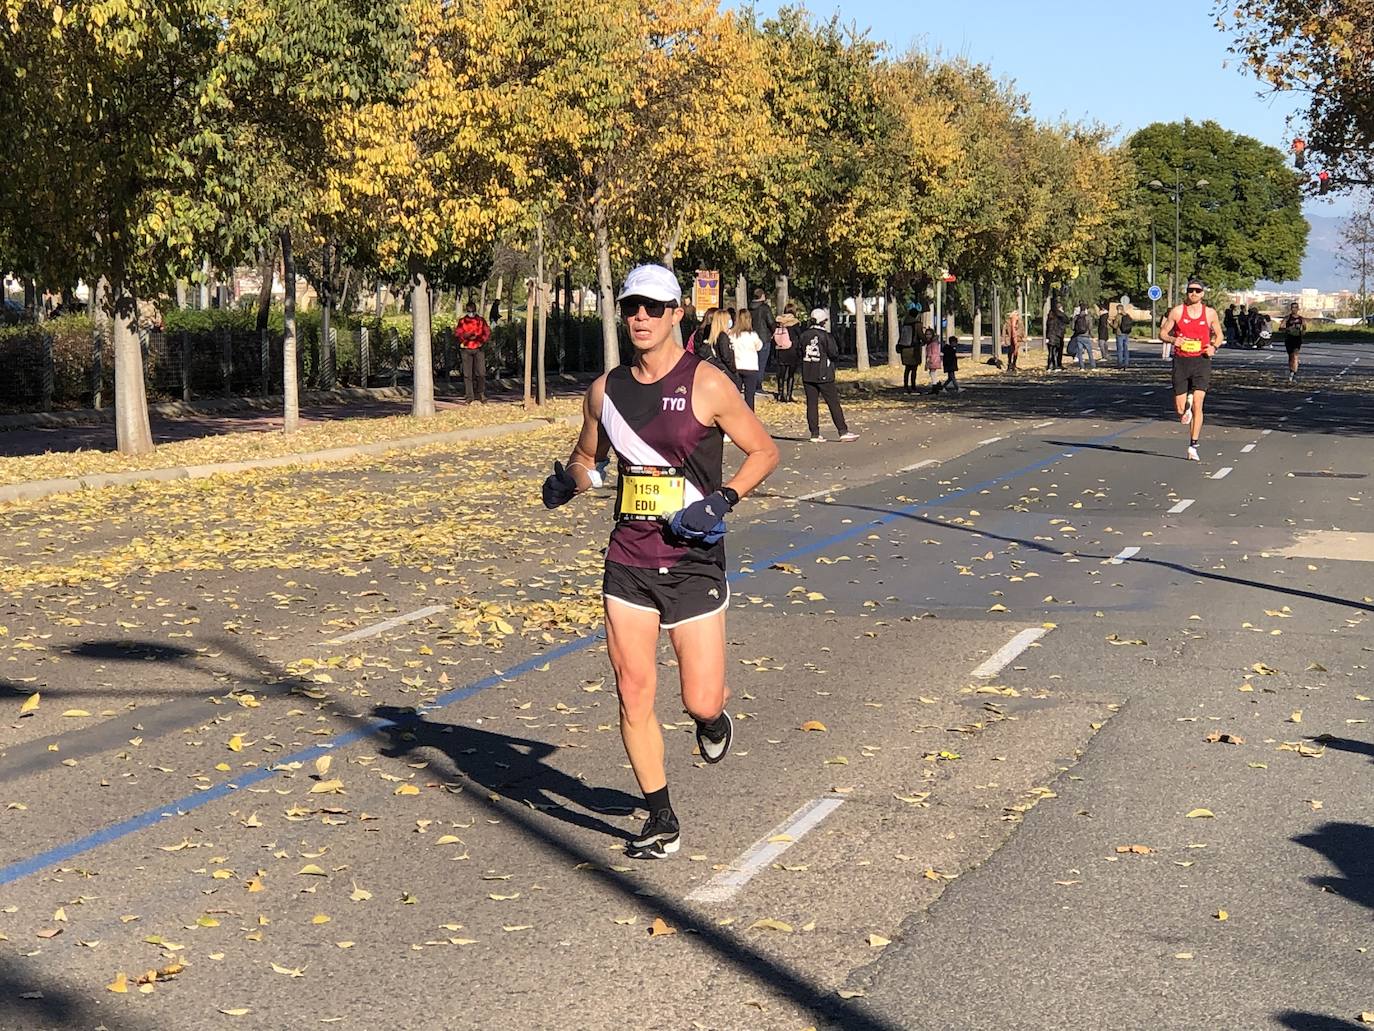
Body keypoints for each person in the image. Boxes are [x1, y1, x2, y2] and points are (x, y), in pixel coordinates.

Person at [540, 264, 778, 859]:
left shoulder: (708, 383)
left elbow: (764, 450)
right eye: (630, 308)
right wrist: (568, 482)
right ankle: (660, 816)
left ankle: (713, 721)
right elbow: (587, 458)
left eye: (652, 307)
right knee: (633, 688)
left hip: (694, 558)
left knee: (700, 698)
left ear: (677, 313)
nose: (640, 318)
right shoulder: (605, 390)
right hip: (630, 558)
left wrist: (723, 499)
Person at [1159, 277, 1223, 462]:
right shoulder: (1177, 312)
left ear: (1202, 293)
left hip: (1202, 361)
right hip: (1181, 361)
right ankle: (1184, 406)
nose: (1193, 293)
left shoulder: (1210, 313)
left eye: (1197, 290)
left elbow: (1219, 335)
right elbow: (1162, 332)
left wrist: (1214, 347)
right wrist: (1172, 340)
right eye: (1190, 290)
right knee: (1180, 409)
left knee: (1198, 402)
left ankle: (1193, 445)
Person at [800, 308, 858, 442]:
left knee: (811, 404)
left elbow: (799, 351)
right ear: (822, 321)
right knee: (833, 403)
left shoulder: (804, 335)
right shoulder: (825, 336)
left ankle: (814, 433)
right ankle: (842, 431)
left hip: (808, 373)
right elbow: (833, 353)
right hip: (824, 374)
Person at [455, 301, 491, 402]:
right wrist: (466, 336)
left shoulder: (480, 321)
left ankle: (481, 393)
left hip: (478, 348)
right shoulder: (462, 321)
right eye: (469, 310)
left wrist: (480, 339)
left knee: (481, 373)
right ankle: (469, 395)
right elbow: (458, 333)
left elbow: (486, 332)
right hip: (466, 348)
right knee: (467, 374)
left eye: (473, 310)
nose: (471, 312)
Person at [729, 308, 763, 410]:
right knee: (749, 396)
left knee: (736, 395)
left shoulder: (732, 335)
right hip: (751, 367)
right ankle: (749, 417)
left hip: (737, 366)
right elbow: (759, 347)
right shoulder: (753, 335)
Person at [696, 308, 739, 387]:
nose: (730, 321)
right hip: (724, 370)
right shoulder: (723, 336)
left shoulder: (714, 335)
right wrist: (734, 370)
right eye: (728, 319)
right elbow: (726, 356)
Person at [750, 288, 777, 400]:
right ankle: (758, 385)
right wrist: (773, 332)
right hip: (763, 337)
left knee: (753, 362)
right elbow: (771, 322)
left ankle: (751, 383)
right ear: (762, 296)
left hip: (752, 337)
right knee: (761, 363)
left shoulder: (749, 307)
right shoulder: (764, 308)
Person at [772, 309, 801, 401]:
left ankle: (780, 394)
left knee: (781, 374)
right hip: (792, 351)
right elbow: (800, 336)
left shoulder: (778, 322)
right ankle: (789, 394)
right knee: (791, 374)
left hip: (780, 350)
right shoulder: (795, 324)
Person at [1281, 301, 1305, 381]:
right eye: (1292, 307)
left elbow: (1304, 327)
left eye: (1295, 307)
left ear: (1298, 309)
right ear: (1290, 309)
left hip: (1297, 338)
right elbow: (1280, 328)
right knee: (1291, 356)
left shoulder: (1301, 318)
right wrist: (1287, 329)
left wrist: (1302, 332)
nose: (1294, 309)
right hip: (1289, 338)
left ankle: (1294, 372)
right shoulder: (1287, 318)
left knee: (1295, 354)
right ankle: (1291, 370)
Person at [898, 311, 920, 391]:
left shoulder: (904, 323)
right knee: (914, 368)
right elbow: (920, 335)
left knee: (907, 368)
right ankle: (913, 385)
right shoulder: (916, 324)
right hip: (913, 349)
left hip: (904, 348)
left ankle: (906, 385)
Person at [1045, 301, 1068, 370]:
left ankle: (1049, 366)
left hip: (1051, 335)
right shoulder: (1060, 315)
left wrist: (1047, 336)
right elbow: (1067, 320)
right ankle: (1057, 365)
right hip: (1058, 335)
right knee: (1058, 351)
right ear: (1060, 308)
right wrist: (1062, 312)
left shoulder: (1050, 315)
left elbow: (1048, 326)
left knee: (1051, 352)